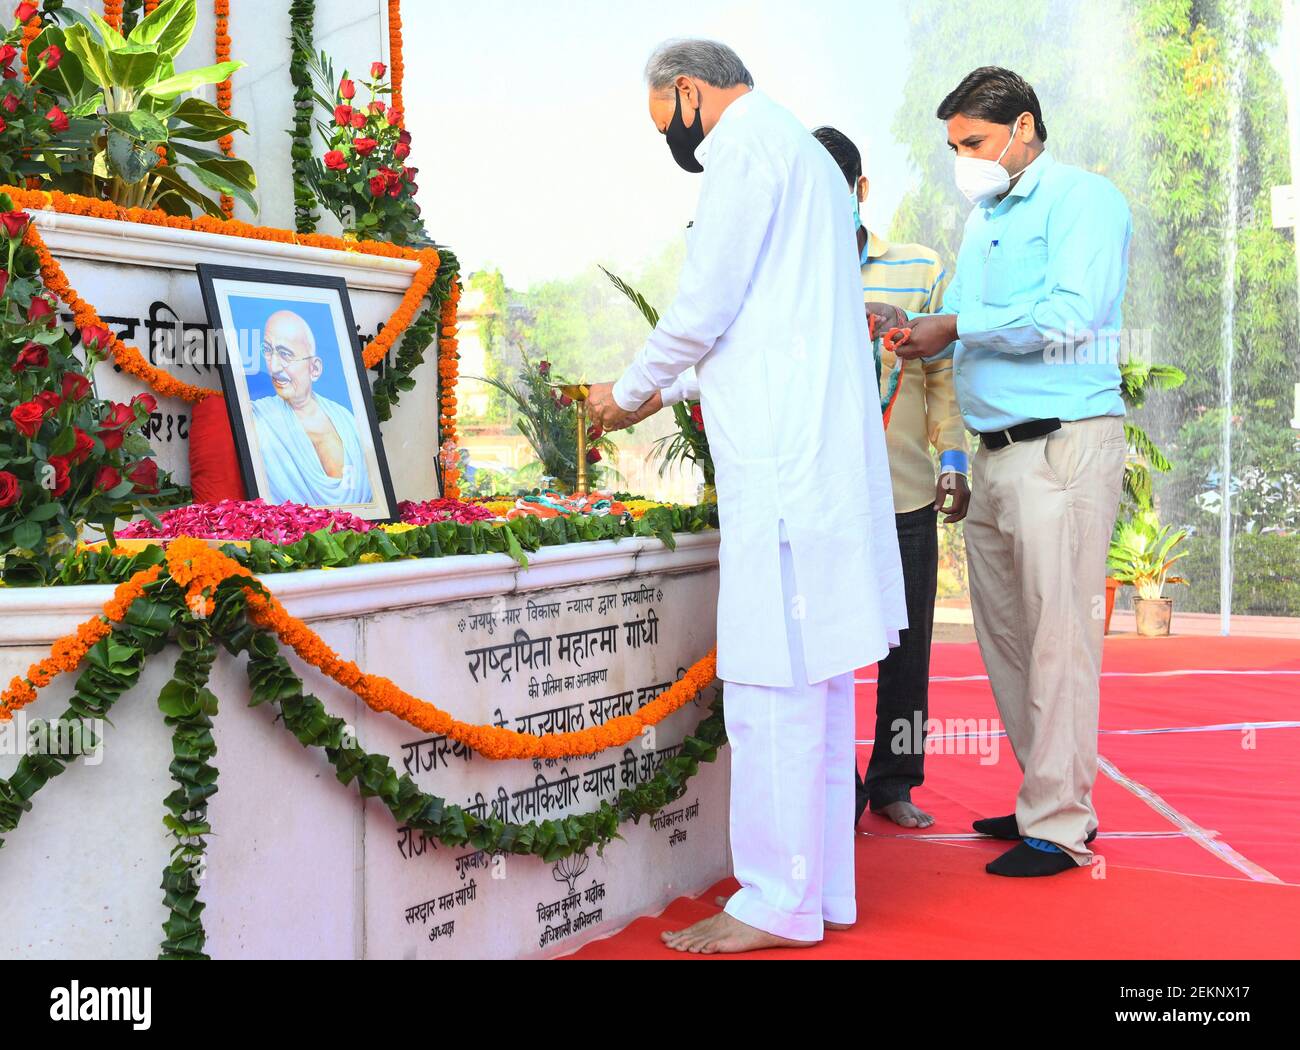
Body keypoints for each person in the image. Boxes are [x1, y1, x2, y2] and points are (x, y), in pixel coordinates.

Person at [586, 39, 907, 953]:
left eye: (668, 125)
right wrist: (667, 387)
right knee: (816, 685)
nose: (676, 148)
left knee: (769, 688)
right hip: (813, 460)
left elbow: (703, 307)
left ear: (689, 90)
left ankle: (771, 902)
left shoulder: (740, 148)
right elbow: (760, 330)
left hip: (785, 471)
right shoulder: (803, 153)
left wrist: (628, 389)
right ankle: (817, 895)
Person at [894, 67, 1131, 877]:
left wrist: (957, 322)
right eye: (955, 145)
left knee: (1060, 638)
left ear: (1024, 127)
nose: (964, 159)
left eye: (976, 142)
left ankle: (1061, 824)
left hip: (1061, 446)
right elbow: (958, 319)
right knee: (1009, 639)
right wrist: (916, 326)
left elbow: (1073, 314)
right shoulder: (986, 217)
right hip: (996, 455)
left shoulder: (1082, 199)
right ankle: (1047, 793)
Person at [813, 126, 970, 832]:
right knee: (827, 650)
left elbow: (942, 371)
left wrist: (954, 456)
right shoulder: (788, 272)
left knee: (907, 651)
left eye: (835, 190)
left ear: (861, 190)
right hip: (822, 496)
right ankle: (835, 791)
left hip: (903, 488)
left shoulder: (917, 266)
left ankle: (894, 782)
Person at [250, 309, 374, 507]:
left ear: (314, 368)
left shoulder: (347, 422)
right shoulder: (257, 419)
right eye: (267, 350)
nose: (273, 367)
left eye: (285, 354)